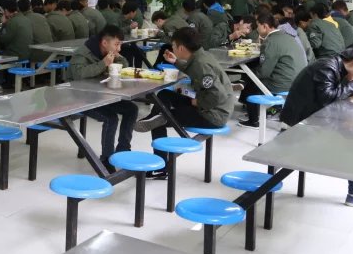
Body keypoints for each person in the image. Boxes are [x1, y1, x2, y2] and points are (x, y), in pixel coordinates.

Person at [280, 46, 353, 209]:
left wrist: (352, 85)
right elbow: (328, 98)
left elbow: (331, 96)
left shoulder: (336, 67)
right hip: (301, 123)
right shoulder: (327, 67)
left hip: (311, 117)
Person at [136, 28, 235, 179]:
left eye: (174, 46)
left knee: (159, 120)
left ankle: (160, 167)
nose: (173, 49)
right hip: (212, 106)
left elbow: (218, 95)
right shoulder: (201, 56)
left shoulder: (201, 64)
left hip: (213, 115)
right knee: (164, 95)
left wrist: (197, 102)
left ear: (181, 48)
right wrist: (175, 62)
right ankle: (154, 117)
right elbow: (194, 70)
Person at [68, 25, 139, 170]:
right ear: (105, 42)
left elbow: (124, 66)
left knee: (132, 109)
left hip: (100, 95)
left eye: (120, 45)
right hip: (80, 98)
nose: (119, 48)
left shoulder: (109, 52)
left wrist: (119, 58)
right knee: (110, 118)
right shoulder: (82, 53)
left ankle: (123, 150)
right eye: (117, 44)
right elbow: (78, 75)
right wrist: (103, 64)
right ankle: (106, 159)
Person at [239, 13, 307, 128]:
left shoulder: (270, 41)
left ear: (265, 26)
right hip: (298, 80)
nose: (256, 29)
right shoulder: (287, 36)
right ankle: (254, 111)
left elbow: (264, 72)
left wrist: (249, 74)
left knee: (252, 83)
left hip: (284, 83)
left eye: (257, 26)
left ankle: (253, 121)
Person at [0, 0, 33, 64]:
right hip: (27, 56)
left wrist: (4, 24)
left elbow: (2, 40)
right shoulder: (26, 19)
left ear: (6, 10)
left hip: (16, 57)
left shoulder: (12, 22)